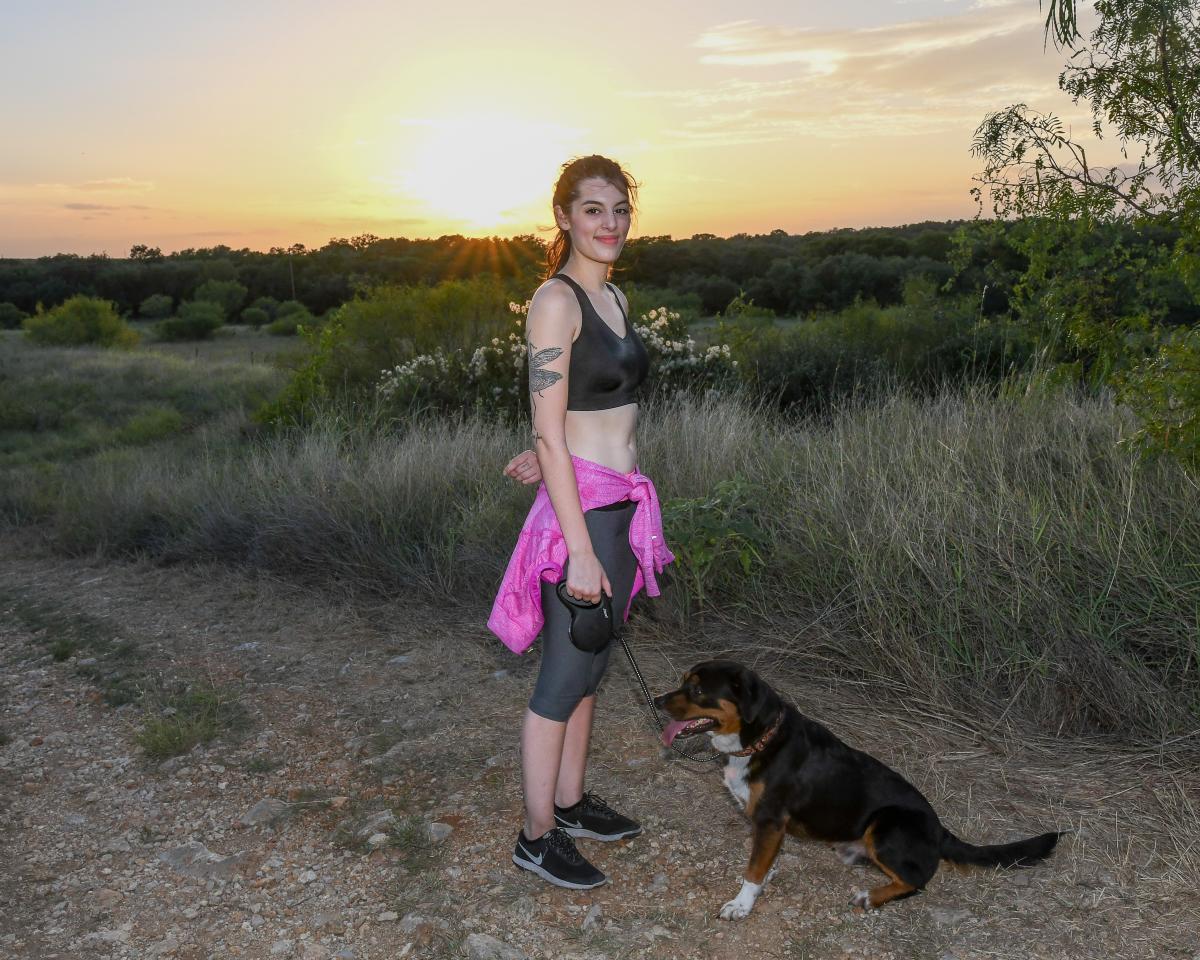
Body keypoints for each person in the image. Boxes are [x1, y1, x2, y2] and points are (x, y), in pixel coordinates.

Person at [487, 155, 675, 890]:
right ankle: (536, 837)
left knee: (593, 665)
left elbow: (580, 411)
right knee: (562, 681)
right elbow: (546, 424)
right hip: (585, 519)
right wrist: (579, 551)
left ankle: (569, 803)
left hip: (621, 503)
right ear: (564, 217)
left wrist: (551, 448)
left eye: (621, 209)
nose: (611, 223)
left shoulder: (615, 297)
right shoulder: (554, 301)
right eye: (594, 209)